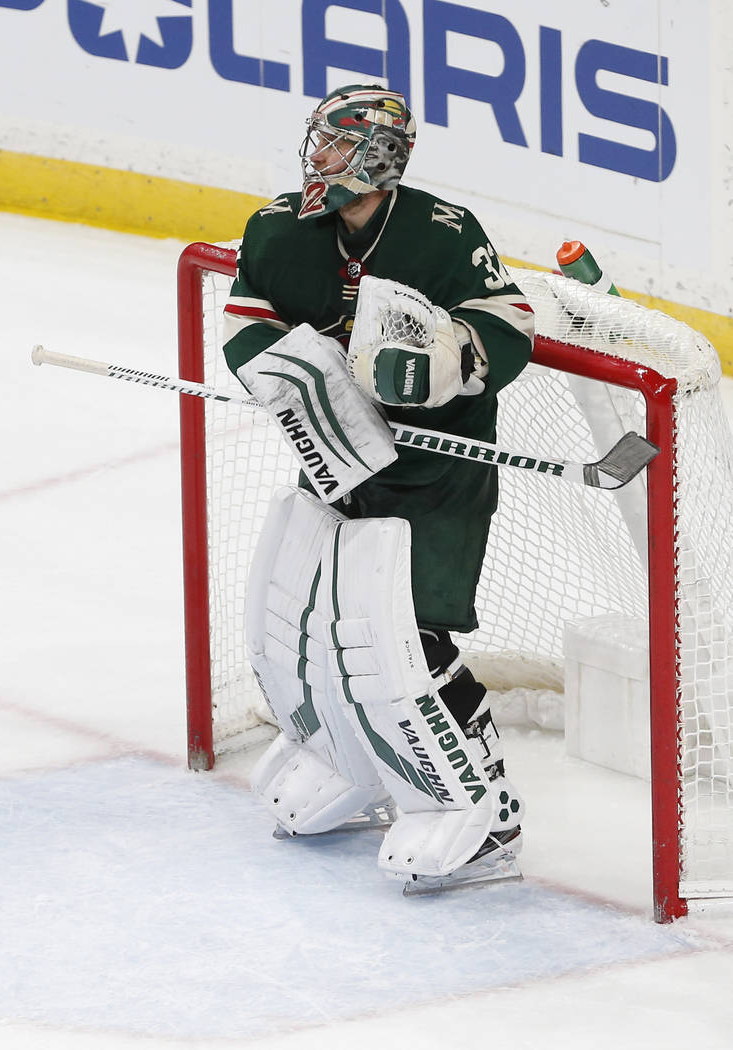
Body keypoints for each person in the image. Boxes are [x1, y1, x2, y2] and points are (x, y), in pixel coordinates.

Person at [222, 84, 534, 891]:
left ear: (377, 158)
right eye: (318, 142)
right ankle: (356, 767)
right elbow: (247, 313)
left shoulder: (443, 232)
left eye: (334, 145)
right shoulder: (278, 227)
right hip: (334, 451)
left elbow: (508, 320)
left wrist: (454, 360)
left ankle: (486, 812)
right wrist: (278, 367)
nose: (315, 158)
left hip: (438, 468)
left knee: (409, 637)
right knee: (323, 622)